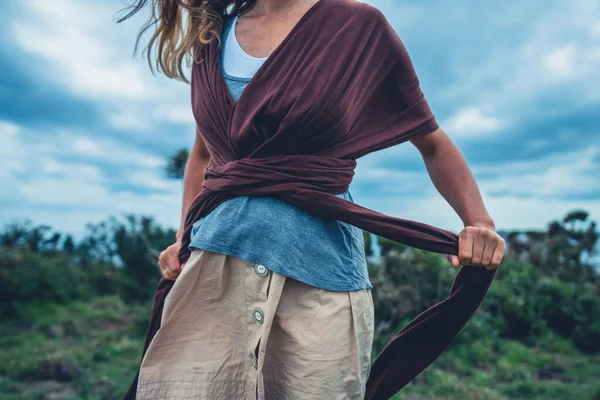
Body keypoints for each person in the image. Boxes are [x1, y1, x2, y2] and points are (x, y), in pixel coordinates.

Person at [119, 0, 505, 399]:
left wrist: (480, 223)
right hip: (212, 277)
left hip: (320, 283)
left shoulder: (358, 28)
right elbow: (204, 155)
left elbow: (431, 142)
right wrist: (184, 237)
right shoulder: (213, 37)